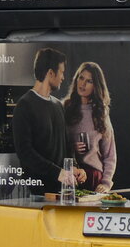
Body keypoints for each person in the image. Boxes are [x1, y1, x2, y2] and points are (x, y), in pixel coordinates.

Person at [12, 47, 85, 195]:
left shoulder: (58, 105)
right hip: (36, 194)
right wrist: (58, 173)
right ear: (51, 73)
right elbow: (25, 153)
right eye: (62, 72)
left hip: (62, 191)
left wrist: (74, 168)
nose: (63, 77)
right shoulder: (24, 105)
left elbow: (66, 146)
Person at [63, 60, 117, 193]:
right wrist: (71, 147)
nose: (83, 84)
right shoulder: (64, 107)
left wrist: (105, 183)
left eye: (89, 81)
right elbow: (56, 145)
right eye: (81, 78)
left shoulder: (101, 113)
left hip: (93, 178)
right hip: (69, 175)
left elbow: (110, 154)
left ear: (96, 86)